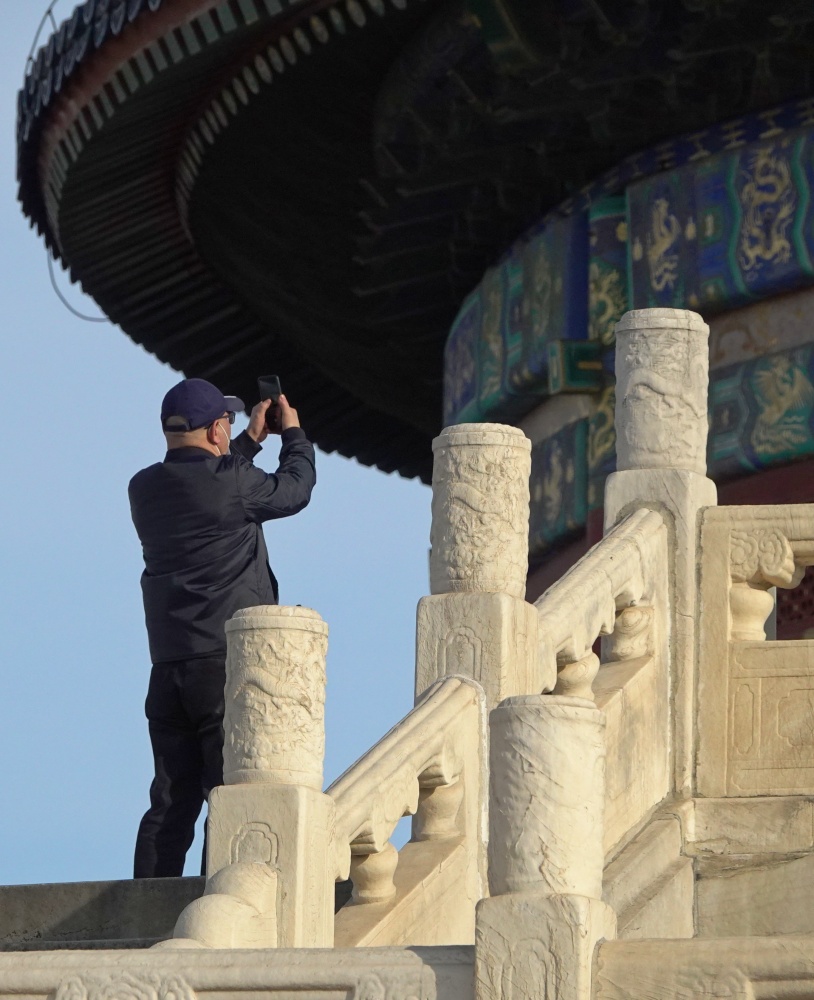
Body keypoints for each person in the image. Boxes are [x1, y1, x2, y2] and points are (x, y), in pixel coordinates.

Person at [128, 377, 316, 878]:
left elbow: (214, 482)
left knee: (170, 799)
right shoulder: (231, 481)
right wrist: (292, 436)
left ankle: (145, 904)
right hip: (223, 664)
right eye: (226, 424)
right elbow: (293, 491)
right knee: (226, 794)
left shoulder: (143, 489)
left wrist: (249, 442)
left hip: (168, 667)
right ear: (215, 430)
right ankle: (217, 903)